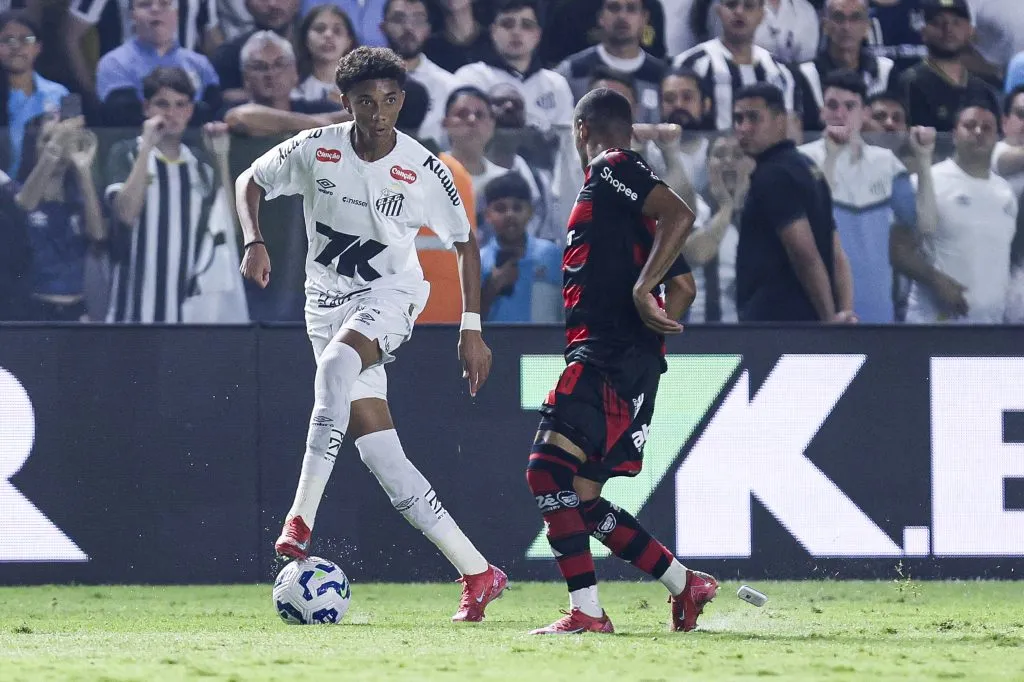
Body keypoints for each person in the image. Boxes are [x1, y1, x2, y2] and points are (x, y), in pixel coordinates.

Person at [234, 46, 507, 621]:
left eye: (388, 101)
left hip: (392, 298)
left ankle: (299, 517)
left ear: (402, 102)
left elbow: (465, 244)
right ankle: (479, 572)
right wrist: (254, 240)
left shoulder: (425, 169)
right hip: (324, 305)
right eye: (365, 101)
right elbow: (248, 181)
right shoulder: (316, 148)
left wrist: (471, 327)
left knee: (336, 368)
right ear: (345, 103)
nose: (378, 112)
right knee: (385, 458)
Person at [525, 87, 715, 635]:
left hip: (604, 353)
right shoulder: (629, 207)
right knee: (582, 499)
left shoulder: (612, 168)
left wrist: (639, 294)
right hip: (629, 363)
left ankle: (586, 612)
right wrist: (652, 329)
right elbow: (684, 287)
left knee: (545, 471)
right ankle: (686, 584)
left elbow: (683, 213)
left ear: (580, 131)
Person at [105, 67, 247, 323]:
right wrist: (147, 145)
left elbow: (229, 230)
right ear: (146, 107)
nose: (171, 113)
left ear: (190, 111)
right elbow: (125, 214)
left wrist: (221, 158)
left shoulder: (201, 166)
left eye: (180, 105)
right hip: (133, 309)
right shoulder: (125, 153)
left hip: (189, 312)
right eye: (162, 104)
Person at [798, 70, 936, 323]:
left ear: (864, 115)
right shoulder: (801, 159)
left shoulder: (886, 163)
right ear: (821, 112)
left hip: (878, 309)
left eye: (850, 106)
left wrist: (924, 160)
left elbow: (925, 225)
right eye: (832, 106)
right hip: (821, 309)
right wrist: (831, 157)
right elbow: (816, 221)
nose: (840, 114)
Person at [733, 83, 856, 323]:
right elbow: (837, 253)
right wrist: (844, 313)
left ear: (781, 120)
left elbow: (804, 253)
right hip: (802, 323)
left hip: (777, 324)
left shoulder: (773, 175)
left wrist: (829, 320)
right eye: (738, 119)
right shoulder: (808, 168)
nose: (744, 128)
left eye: (754, 118)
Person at [893, 101, 1019, 323]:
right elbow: (899, 251)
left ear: (996, 137)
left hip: (992, 328)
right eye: (970, 125)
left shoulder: (1006, 193)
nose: (979, 132)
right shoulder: (925, 181)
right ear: (954, 134)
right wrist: (936, 280)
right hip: (935, 323)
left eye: (987, 127)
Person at [6, 116, 105, 322]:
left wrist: (84, 171)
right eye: (48, 139)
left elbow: (98, 235)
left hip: (76, 309)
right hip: (32, 310)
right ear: (32, 146)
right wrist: (52, 151)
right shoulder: (15, 191)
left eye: (63, 140)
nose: (58, 146)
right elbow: (25, 205)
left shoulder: (78, 198)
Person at [672, 0, 800, 132]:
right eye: (731, 5)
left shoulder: (780, 71)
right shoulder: (691, 63)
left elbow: (791, 129)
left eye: (749, 6)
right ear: (719, 11)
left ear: (762, 14)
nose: (739, 12)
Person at [96, 0, 222, 127]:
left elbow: (215, 112)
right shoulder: (114, 62)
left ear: (176, 14)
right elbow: (124, 115)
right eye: (145, 4)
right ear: (132, 16)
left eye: (164, 4)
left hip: (195, 144)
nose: (155, 10)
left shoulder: (200, 63)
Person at [555, 0, 667, 125]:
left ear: (644, 17)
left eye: (631, 8)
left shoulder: (662, 76)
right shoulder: (572, 71)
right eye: (614, 8)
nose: (622, 16)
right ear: (600, 17)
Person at [896, 0, 1000, 133]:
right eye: (938, 22)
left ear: (970, 30)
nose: (948, 29)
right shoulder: (909, 83)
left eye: (956, 22)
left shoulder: (983, 90)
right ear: (923, 32)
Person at [797, 0, 895, 132]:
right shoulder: (806, 74)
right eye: (838, 18)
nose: (846, 27)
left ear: (867, 26)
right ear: (825, 25)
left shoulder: (886, 71)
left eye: (855, 18)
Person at [479, 173, 563, 322]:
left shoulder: (551, 255)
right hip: (494, 344)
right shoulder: (478, 261)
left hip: (545, 343)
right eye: (500, 208)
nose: (509, 215)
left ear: (530, 212)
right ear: (487, 215)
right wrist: (490, 290)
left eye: (517, 208)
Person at [0, 11, 68, 177]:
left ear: (38, 48)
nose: (16, 46)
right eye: (8, 40)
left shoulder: (59, 94)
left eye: (26, 40)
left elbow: (72, 148)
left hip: (47, 189)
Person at [380, 0, 456, 145]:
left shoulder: (448, 86)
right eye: (398, 19)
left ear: (428, 29)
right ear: (383, 27)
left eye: (418, 20)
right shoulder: (361, 81)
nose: (408, 27)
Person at [292, 3, 358, 104]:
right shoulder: (292, 88)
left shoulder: (363, 87)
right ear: (305, 38)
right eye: (319, 29)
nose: (328, 35)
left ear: (349, 41)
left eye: (337, 30)